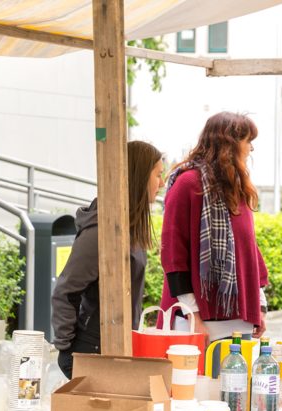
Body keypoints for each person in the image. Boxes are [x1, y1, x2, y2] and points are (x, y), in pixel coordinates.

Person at [52, 140, 164, 378]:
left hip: (115, 348)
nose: (161, 183)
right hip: (92, 351)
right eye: (158, 175)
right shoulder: (101, 231)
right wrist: (67, 346)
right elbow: (65, 289)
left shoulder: (129, 226)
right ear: (139, 177)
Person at [160, 112, 269, 342]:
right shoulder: (187, 184)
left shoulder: (237, 187)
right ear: (229, 144)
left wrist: (259, 306)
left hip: (239, 319)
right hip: (197, 320)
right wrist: (193, 316)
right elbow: (173, 254)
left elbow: (249, 249)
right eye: (247, 141)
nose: (250, 149)